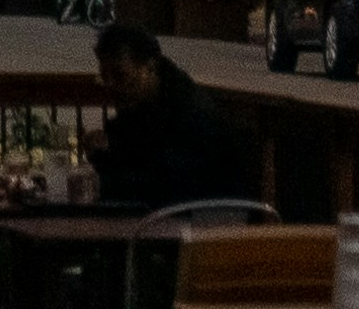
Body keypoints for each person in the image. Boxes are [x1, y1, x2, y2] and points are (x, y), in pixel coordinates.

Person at [87, 18, 264, 212]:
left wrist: (103, 174)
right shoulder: (143, 105)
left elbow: (162, 184)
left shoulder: (191, 114)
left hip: (203, 228)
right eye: (105, 77)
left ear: (150, 68)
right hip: (172, 221)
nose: (110, 85)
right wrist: (103, 154)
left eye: (120, 75)